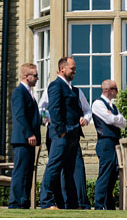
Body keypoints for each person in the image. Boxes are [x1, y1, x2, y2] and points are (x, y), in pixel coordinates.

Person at [38, 79, 93, 209]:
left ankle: (77, 203)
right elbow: (41, 109)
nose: (74, 72)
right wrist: (53, 121)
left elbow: (87, 110)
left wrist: (85, 118)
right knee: (56, 166)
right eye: (71, 68)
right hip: (57, 133)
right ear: (62, 69)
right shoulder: (53, 88)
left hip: (74, 134)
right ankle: (50, 202)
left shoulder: (77, 92)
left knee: (75, 168)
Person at [9, 63, 41, 209]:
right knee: (20, 171)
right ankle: (15, 203)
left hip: (29, 140)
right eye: (34, 75)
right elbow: (20, 116)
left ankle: (23, 201)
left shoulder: (29, 93)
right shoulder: (19, 92)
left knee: (27, 172)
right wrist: (29, 134)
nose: (37, 78)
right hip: (23, 139)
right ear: (25, 76)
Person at [91, 79, 126, 210]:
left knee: (113, 174)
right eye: (116, 89)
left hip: (114, 142)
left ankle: (109, 205)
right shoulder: (98, 104)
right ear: (109, 90)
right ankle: (99, 205)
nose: (117, 92)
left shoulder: (113, 107)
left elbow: (124, 123)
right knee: (105, 173)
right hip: (105, 142)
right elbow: (109, 119)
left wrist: (117, 118)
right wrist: (117, 118)